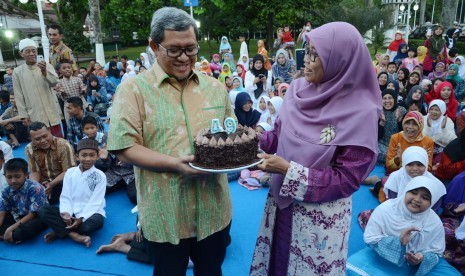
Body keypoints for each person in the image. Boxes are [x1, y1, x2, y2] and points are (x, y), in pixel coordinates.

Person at [107, 7, 233, 275]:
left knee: (211, 270)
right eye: (174, 50)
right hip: (165, 214)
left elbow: (230, 135)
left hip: (214, 209)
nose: (185, 58)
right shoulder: (133, 90)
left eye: (191, 48)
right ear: (154, 46)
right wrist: (175, 164)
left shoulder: (214, 88)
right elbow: (123, 147)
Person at [249, 22, 381, 275]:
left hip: (318, 220)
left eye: (315, 55)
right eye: (306, 51)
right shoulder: (298, 91)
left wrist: (290, 170)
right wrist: (253, 140)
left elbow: (347, 179)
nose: (305, 61)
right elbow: (279, 135)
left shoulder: (361, 111)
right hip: (279, 204)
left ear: (340, 61)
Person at [348, 177, 460, 276]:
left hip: (417, 266)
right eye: (413, 192)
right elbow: (371, 239)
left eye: (425, 197)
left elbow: (436, 252)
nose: (417, 199)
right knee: (350, 267)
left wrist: (421, 258)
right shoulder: (386, 209)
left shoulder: (433, 221)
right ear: (405, 191)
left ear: (432, 202)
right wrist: (399, 242)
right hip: (381, 256)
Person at [38, 139, 106, 248]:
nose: (88, 159)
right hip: (71, 211)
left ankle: (59, 231)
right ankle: (74, 235)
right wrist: (66, 213)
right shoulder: (70, 172)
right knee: (43, 210)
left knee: (95, 223)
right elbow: (66, 195)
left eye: (92, 155)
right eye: (84, 155)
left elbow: (96, 201)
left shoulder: (100, 176)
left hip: (90, 213)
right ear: (77, 157)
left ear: (97, 156)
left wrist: (82, 218)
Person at [12, 38, 63, 138]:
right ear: (21, 54)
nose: (31, 54)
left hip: (51, 110)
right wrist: (24, 116)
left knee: (57, 141)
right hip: (33, 113)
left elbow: (54, 82)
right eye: (27, 51)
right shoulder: (17, 72)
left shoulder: (46, 65)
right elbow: (18, 95)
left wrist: (44, 71)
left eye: (33, 51)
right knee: (40, 142)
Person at [26, 122, 76, 205]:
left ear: (50, 131)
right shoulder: (29, 148)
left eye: (45, 136)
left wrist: (51, 184)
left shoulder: (64, 145)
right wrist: (36, 187)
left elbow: (69, 171)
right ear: (30, 139)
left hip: (62, 181)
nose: (43, 141)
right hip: (44, 183)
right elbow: (35, 171)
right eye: (38, 139)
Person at [0, 158, 48, 243]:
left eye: (17, 176)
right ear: (4, 176)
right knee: (6, 223)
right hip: (17, 215)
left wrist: (10, 229)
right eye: (9, 177)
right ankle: (12, 236)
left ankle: (12, 235)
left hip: (34, 216)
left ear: (26, 175)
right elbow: (2, 211)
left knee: (29, 228)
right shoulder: (6, 188)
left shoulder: (35, 188)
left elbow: (32, 214)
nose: (13, 181)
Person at [377, 89, 407, 165]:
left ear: (395, 99)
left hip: (397, 145)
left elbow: (406, 134)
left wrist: (399, 120)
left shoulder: (401, 111)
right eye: (384, 98)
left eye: (390, 98)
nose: (387, 101)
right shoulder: (379, 112)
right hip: (382, 145)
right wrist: (382, 122)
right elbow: (376, 137)